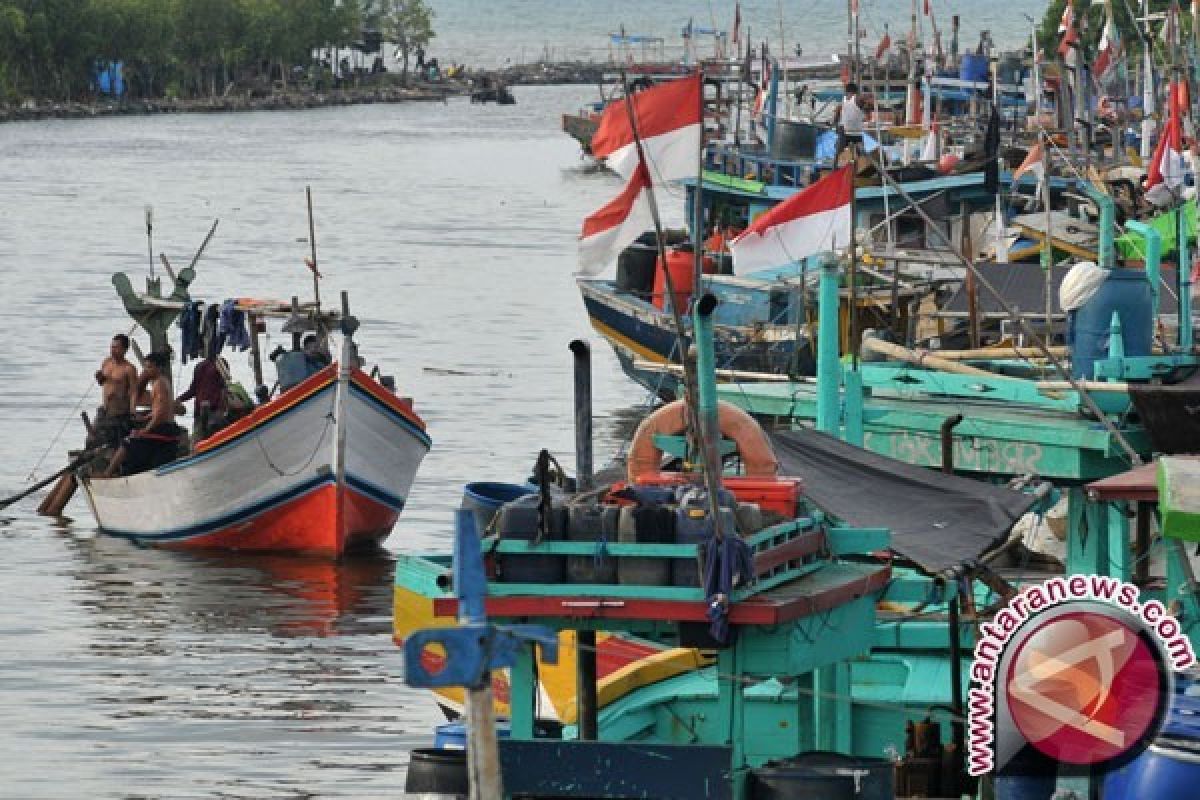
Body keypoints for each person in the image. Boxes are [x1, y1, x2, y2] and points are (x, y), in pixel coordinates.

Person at [102, 352, 183, 478]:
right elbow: (160, 409)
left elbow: (161, 413)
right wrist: (146, 417)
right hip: (164, 426)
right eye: (145, 367)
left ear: (159, 368)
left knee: (128, 442)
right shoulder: (162, 381)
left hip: (163, 429)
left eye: (150, 367)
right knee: (136, 436)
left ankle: (108, 473)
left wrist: (146, 429)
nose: (146, 371)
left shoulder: (159, 384)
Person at [92, 333, 139, 448]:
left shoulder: (129, 368)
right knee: (95, 440)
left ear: (124, 350)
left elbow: (133, 391)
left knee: (119, 444)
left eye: (116, 348)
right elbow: (102, 383)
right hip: (105, 410)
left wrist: (133, 409)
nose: (113, 350)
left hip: (120, 412)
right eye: (111, 347)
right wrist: (100, 377)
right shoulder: (106, 362)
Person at [176, 350, 227, 441]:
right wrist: (179, 399)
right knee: (207, 439)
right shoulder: (203, 366)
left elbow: (224, 386)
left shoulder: (216, 364)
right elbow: (193, 390)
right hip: (206, 411)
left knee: (206, 440)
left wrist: (179, 399)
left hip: (210, 410)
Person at [832, 82, 866, 164]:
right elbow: (838, 111)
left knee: (840, 152)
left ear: (847, 91)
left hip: (851, 132)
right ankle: (836, 167)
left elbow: (837, 112)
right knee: (839, 152)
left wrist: (835, 123)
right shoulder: (850, 99)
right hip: (851, 132)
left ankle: (837, 167)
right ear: (856, 91)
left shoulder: (853, 99)